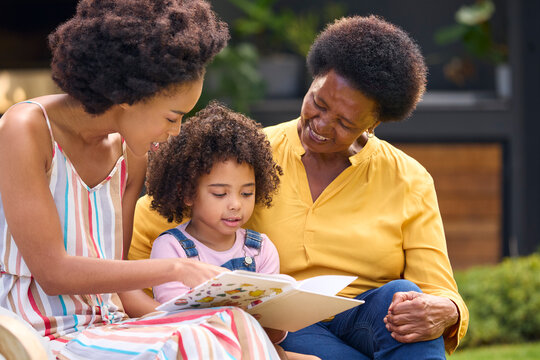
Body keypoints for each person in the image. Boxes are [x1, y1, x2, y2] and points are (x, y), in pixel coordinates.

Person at [129, 15, 469, 359]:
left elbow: (436, 286)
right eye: (318, 103)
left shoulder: (408, 178)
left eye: (345, 122)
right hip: (286, 325)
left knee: (406, 299)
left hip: (366, 316)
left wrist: (447, 311)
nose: (321, 125)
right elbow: (149, 226)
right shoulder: (247, 156)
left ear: (374, 122)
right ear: (312, 80)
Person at [0, 0, 281, 359]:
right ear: (128, 96)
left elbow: (114, 280)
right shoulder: (25, 129)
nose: (176, 132)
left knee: (232, 322)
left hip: (108, 325)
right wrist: (179, 268)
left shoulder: (129, 153)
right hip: (36, 332)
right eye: (172, 117)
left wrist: (199, 314)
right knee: (197, 341)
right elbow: (52, 272)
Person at [147, 102, 319, 360]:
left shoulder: (260, 248)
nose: (236, 204)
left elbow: (273, 331)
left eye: (247, 193)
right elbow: (177, 322)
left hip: (255, 345)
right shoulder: (171, 248)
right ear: (187, 193)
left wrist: (282, 317)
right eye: (220, 193)